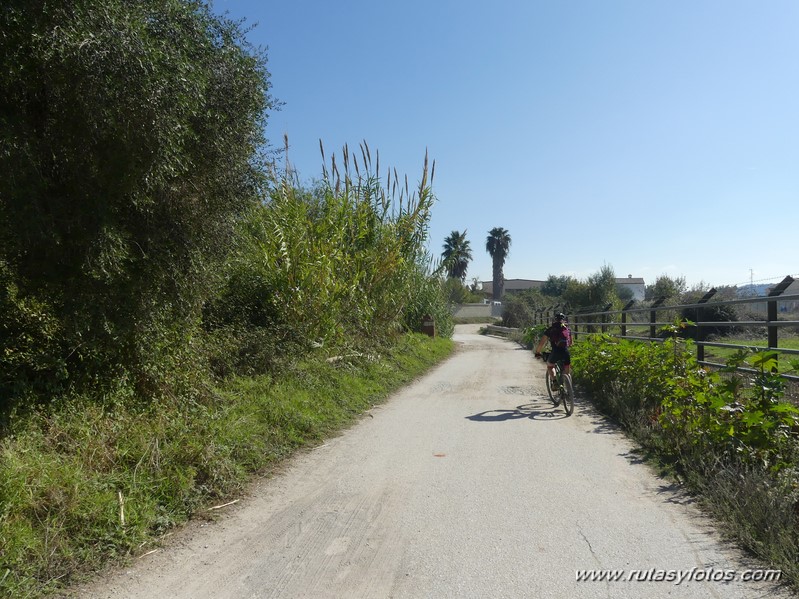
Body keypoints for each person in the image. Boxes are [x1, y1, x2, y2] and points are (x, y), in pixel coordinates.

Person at [534, 313, 572, 383]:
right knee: (567, 372)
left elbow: (541, 343)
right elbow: (570, 343)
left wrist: (537, 352)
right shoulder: (567, 329)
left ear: (554, 320)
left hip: (555, 352)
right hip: (566, 352)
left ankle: (554, 381)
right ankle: (569, 389)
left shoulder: (550, 330)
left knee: (550, 366)